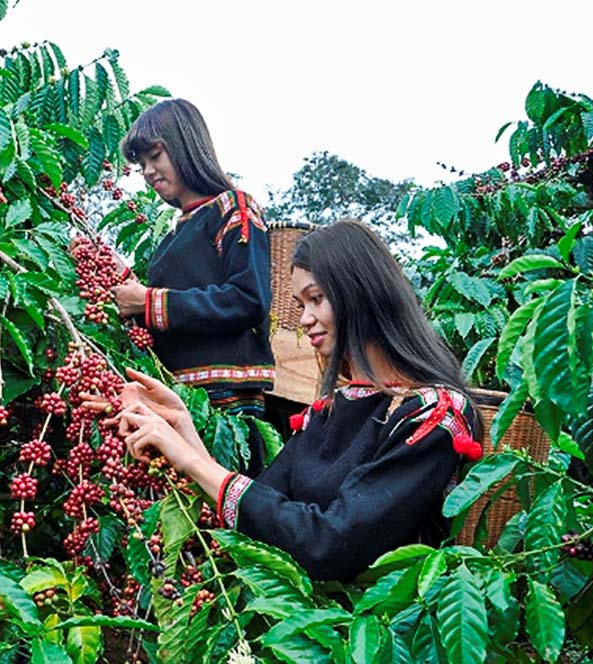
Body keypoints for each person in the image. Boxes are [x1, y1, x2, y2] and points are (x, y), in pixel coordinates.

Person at [106, 221, 485, 581]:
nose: (304, 318)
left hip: (375, 638)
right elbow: (266, 513)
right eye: (301, 303)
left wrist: (188, 457)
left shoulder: (432, 415)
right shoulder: (332, 409)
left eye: (316, 299)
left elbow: (330, 543)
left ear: (361, 292)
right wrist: (182, 427)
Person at [112, 99, 275, 472]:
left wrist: (149, 302)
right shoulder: (172, 236)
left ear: (185, 145)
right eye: (141, 166)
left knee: (225, 509)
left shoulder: (234, 208)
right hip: (175, 399)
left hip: (226, 406)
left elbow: (249, 299)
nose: (149, 171)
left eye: (155, 156)